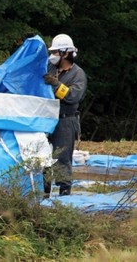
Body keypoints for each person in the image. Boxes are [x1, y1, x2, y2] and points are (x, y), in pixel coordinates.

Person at [43, 34, 87, 197]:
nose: (52, 56)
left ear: (65, 53)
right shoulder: (50, 68)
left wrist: (56, 84)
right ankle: (44, 191)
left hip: (65, 120)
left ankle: (64, 193)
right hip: (47, 119)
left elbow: (72, 96)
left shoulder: (77, 74)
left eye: (56, 53)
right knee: (43, 155)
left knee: (61, 157)